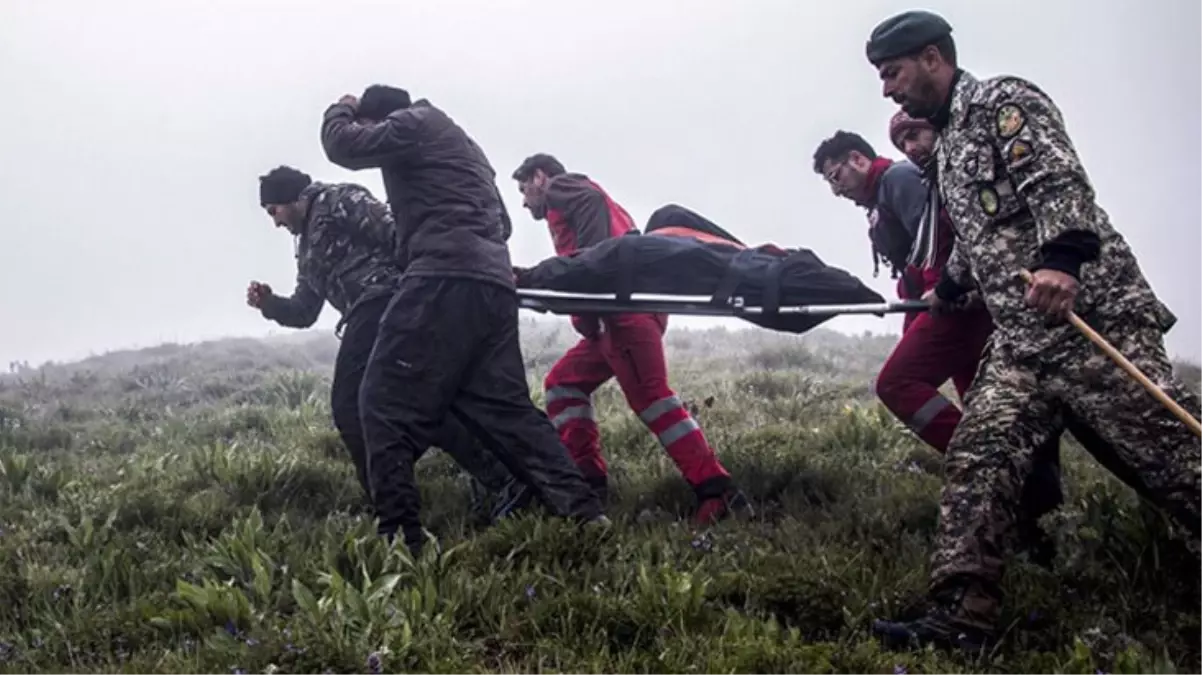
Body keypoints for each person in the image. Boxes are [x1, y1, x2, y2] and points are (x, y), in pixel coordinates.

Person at [862, 9, 1202, 652]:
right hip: (1021, 344)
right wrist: (955, 285)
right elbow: (986, 231)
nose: (888, 89)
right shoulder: (949, 143)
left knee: (1172, 459)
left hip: (1088, 321)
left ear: (933, 58)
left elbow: (1057, 183)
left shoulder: (1002, 103)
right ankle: (960, 621)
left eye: (893, 73)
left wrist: (1063, 260)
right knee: (979, 459)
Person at [319, 85, 607, 554]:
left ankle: (400, 536)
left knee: (378, 401)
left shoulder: (414, 123)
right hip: (490, 285)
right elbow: (504, 224)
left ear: (381, 119)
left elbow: (342, 146)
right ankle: (584, 511)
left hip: (441, 279)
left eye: (373, 127)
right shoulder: (464, 147)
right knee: (506, 409)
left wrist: (342, 108)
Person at [812, 128, 1065, 564]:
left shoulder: (897, 181)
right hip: (954, 303)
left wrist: (940, 295)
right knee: (982, 404)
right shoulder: (881, 197)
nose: (837, 190)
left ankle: (987, 468)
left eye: (837, 176)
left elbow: (942, 237)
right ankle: (1026, 509)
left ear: (857, 159)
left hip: (957, 304)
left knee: (897, 383)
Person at [247, 165, 530, 524]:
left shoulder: (338, 199)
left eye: (274, 211)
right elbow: (305, 310)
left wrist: (432, 289)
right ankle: (500, 479)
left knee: (350, 404)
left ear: (293, 198)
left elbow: (398, 234)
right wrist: (270, 304)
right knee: (420, 406)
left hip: (388, 301)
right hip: (365, 312)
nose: (275, 222)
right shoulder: (305, 249)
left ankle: (390, 507)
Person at [510, 153, 752, 523]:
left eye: (524, 188)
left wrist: (573, 268)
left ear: (540, 178)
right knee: (563, 384)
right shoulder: (583, 206)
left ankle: (718, 492)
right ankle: (588, 482)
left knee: (652, 400)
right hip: (615, 316)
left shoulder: (565, 189)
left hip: (625, 316)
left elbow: (592, 259)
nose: (525, 201)